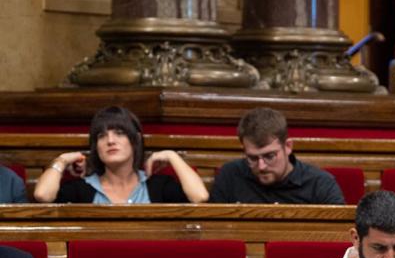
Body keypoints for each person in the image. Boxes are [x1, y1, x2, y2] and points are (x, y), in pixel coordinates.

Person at [34, 106, 208, 204]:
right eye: (101, 136)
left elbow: (200, 197)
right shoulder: (81, 189)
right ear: (96, 146)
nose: (110, 140)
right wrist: (62, 160)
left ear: (135, 140)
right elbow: (43, 196)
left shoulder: (159, 186)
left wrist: (172, 156)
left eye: (119, 133)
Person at [209, 107, 344, 204]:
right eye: (252, 158)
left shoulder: (320, 184)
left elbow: (340, 236)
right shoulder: (230, 175)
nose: (261, 167)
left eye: (269, 156)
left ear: (288, 147)